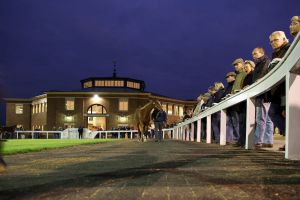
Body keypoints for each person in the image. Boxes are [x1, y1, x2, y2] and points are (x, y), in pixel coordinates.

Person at [267, 31, 290, 148]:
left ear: (284, 39)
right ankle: (291, 138)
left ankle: (292, 141)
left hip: (289, 86)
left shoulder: (290, 48)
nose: (273, 43)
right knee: (272, 112)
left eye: (275, 40)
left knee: (291, 114)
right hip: (278, 89)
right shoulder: (274, 54)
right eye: (271, 41)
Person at [251, 47, 273, 148]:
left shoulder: (265, 61)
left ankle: (258, 141)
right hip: (264, 93)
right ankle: (267, 141)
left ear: (261, 53)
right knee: (267, 118)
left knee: (261, 118)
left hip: (263, 93)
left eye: (255, 53)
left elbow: (262, 76)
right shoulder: (258, 64)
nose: (253, 56)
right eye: (253, 54)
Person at [222, 72, 238, 144]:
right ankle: (229, 139)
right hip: (228, 107)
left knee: (236, 123)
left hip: (234, 107)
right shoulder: (228, 87)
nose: (227, 79)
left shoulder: (235, 84)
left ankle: (238, 139)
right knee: (229, 124)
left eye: (228, 77)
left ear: (233, 77)